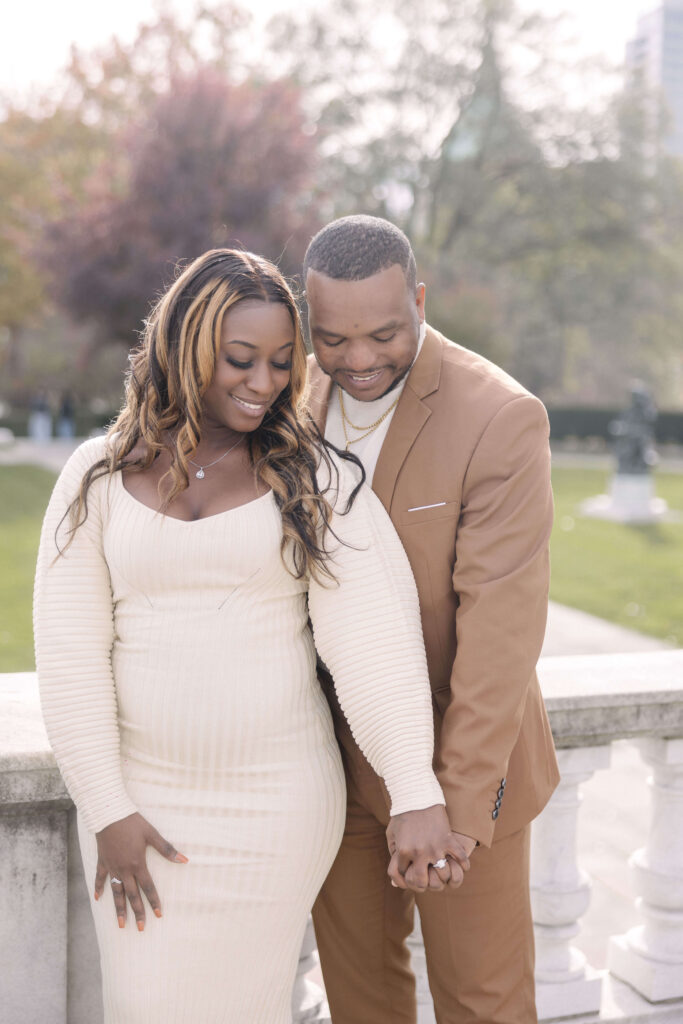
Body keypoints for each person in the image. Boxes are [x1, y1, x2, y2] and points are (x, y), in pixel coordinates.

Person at [33, 248, 462, 1024]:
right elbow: (69, 658)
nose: (262, 384)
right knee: (143, 1008)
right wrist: (108, 812)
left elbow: (372, 650)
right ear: (184, 349)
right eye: (239, 360)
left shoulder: (315, 482)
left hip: (276, 810)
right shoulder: (96, 477)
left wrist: (415, 791)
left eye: (277, 363)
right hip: (140, 808)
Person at [304, 215, 560, 1024]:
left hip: (457, 768)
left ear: (418, 299)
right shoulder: (293, 393)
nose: (357, 360)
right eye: (332, 340)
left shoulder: (499, 417)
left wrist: (451, 805)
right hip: (330, 767)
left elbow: (500, 635)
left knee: (482, 1006)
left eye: (382, 333)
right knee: (360, 1004)